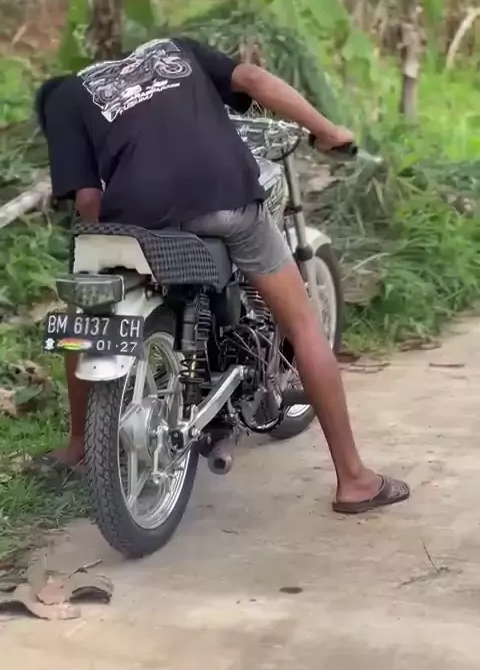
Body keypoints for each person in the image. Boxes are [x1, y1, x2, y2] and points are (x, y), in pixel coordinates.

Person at [34, 36, 410, 515]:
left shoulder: (65, 97)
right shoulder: (171, 49)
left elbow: (88, 201)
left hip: (142, 214)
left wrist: (109, 245)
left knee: (91, 309)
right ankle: (354, 479)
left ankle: (79, 445)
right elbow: (251, 79)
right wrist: (327, 129)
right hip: (225, 193)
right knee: (302, 325)